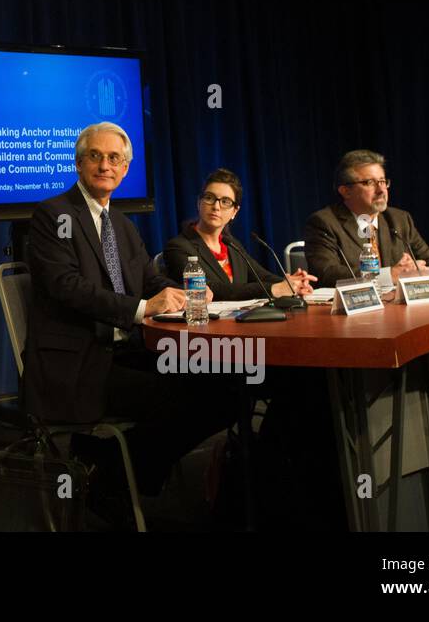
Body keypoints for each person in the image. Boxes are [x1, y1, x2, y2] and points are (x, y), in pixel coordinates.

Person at [23, 121, 233, 499]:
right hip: (78, 363)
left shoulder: (121, 223)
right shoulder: (53, 215)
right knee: (182, 398)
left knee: (224, 386)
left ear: (125, 169)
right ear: (79, 163)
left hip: (128, 352)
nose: (105, 165)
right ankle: (120, 481)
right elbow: (66, 287)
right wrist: (141, 308)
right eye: (96, 156)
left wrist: (188, 296)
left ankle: (116, 465)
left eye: (114, 158)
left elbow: (149, 281)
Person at [303, 149, 429, 285]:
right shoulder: (324, 222)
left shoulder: (399, 219)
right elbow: (325, 274)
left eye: (382, 181)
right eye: (370, 182)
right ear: (345, 191)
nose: (381, 190)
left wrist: (428, 272)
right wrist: (389, 276)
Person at [163, 168, 316, 301]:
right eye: (209, 198)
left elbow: (261, 276)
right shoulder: (178, 247)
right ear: (199, 203)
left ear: (235, 211)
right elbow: (210, 289)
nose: (216, 207)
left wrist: (291, 282)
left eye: (225, 201)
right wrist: (274, 289)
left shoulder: (231, 245)